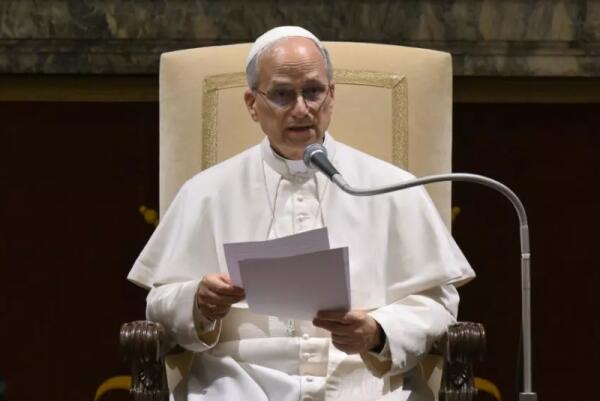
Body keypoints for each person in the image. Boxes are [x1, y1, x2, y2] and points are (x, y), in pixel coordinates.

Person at [128, 26, 474, 401]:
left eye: (313, 91)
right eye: (282, 94)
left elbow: (439, 304)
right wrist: (198, 303)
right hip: (239, 384)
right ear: (252, 104)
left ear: (332, 95)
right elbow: (158, 305)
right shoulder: (206, 192)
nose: (301, 109)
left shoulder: (390, 187)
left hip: (365, 385)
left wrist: (378, 332)